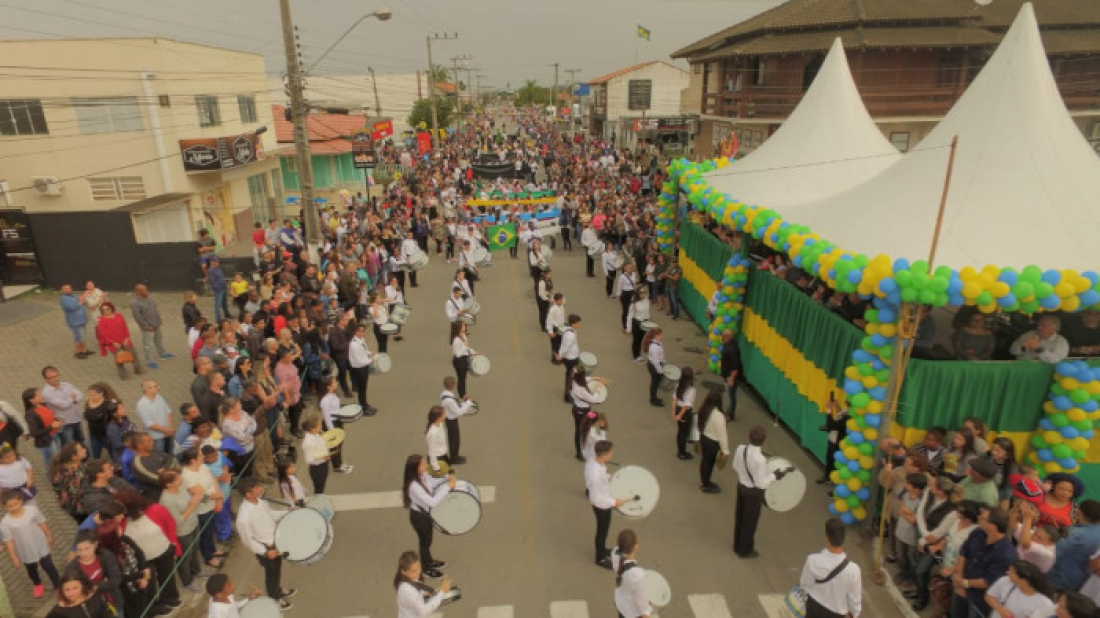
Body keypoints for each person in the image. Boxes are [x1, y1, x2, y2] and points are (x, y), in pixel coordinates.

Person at [732, 426, 794, 558]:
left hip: (741, 486)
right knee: (750, 522)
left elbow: (735, 466)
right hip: (753, 493)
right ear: (763, 441)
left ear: (749, 436)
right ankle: (744, 550)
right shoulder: (760, 460)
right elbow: (761, 484)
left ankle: (737, 544)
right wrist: (775, 475)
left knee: (740, 516)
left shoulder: (741, 448)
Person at [235, 477, 296, 610]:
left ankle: (278, 590)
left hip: (275, 541)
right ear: (248, 494)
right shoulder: (244, 517)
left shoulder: (261, 501)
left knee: (277, 570)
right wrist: (265, 552)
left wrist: (286, 513)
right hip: (266, 549)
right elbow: (248, 540)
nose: (260, 488)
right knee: (271, 573)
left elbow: (270, 514)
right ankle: (275, 597)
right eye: (256, 488)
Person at [953, 506, 1016, 618]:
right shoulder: (978, 533)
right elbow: (963, 552)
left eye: (982, 518)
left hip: (980, 599)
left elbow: (989, 581)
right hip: (961, 584)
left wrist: (964, 583)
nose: (978, 518)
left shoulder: (1005, 554)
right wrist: (958, 578)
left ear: (992, 526)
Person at [402, 454, 455, 579]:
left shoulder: (423, 476)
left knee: (428, 540)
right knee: (425, 542)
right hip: (419, 518)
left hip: (425, 514)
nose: (425, 465)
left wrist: (447, 478)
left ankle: (429, 561)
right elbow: (432, 501)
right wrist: (448, 486)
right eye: (422, 464)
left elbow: (433, 481)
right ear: (416, 468)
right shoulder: (414, 486)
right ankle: (426, 568)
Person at [1, 489, 59, 598]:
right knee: (31, 569)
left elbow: (42, 522)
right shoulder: (5, 523)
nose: (13, 507)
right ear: (4, 507)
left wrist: (49, 535)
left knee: (49, 566)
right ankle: (37, 584)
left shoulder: (32, 510)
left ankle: (57, 585)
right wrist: (14, 557)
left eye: (16, 504)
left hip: (39, 544)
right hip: (24, 550)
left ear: (21, 501)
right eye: (10, 506)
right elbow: (8, 541)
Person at [800, 518, 862, 618]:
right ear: (844, 538)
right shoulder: (853, 570)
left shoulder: (812, 560)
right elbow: (855, 602)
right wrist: (853, 614)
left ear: (827, 537)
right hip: (835, 614)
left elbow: (805, 583)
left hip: (813, 607)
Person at [157, 469, 203, 593]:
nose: (181, 479)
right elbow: (177, 522)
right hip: (183, 532)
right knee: (184, 558)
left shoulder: (181, 488)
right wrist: (191, 506)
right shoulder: (166, 500)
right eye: (177, 479)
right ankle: (187, 581)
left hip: (193, 524)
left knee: (194, 550)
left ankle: (197, 570)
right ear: (168, 484)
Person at [586, 440, 630, 569]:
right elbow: (598, 497)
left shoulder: (594, 462)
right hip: (601, 506)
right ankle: (599, 558)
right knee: (602, 531)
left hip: (602, 501)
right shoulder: (595, 476)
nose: (612, 454)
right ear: (604, 454)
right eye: (610, 452)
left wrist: (609, 477)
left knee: (603, 530)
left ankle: (603, 549)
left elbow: (602, 478)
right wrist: (615, 502)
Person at [180, 448, 223, 569]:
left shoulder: (203, 467)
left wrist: (219, 499)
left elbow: (214, 480)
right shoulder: (187, 476)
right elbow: (202, 497)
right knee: (205, 533)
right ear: (193, 460)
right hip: (201, 510)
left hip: (212, 504)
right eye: (200, 456)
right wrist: (218, 496)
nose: (203, 457)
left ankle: (212, 549)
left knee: (211, 530)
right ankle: (208, 556)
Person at [1047, 500, 1100, 592]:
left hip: (1058, 578)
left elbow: (1054, 552)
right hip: (1080, 582)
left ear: (1079, 512)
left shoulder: (1075, 534)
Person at [68, 530, 123, 615]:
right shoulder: (72, 567)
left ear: (95, 544)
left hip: (113, 602)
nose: (84, 553)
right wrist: (104, 583)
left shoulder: (106, 556)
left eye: (87, 548)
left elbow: (116, 579)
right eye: (79, 550)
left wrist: (94, 587)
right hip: (91, 610)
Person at [983, 562, 1056, 618]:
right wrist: (1000, 608)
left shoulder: (1045, 604)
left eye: (1012, 572)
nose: (1007, 573)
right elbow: (989, 596)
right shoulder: (1005, 580)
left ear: (1024, 580)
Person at [394, 550, 452, 618]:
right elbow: (423, 612)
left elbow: (416, 591)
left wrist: (425, 592)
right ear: (404, 571)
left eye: (419, 568)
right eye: (413, 571)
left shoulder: (408, 580)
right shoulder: (407, 591)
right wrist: (442, 592)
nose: (418, 572)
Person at [96, 302, 143, 380]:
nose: (106, 311)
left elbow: (125, 327)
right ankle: (123, 375)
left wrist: (127, 338)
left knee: (134, 353)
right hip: (113, 343)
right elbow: (103, 334)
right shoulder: (101, 320)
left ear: (111, 308)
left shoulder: (119, 316)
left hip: (124, 340)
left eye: (107, 309)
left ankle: (137, 369)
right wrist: (112, 343)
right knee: (119, 359)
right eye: (103, 310)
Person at [611, 529, 651, 618]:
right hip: (631, 612)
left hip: (621, 602)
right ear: (636, 546)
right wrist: (646, 614)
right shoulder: (637, 575)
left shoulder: (615, 553)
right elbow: (642, 601)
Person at [131, 285, 172, 370]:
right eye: (143, 290)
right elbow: (137, 317)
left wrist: (159, 318)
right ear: (138, 292)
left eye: (146, 289)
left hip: (156, 323)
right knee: (148, 344)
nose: (146, 291)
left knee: (158, 339)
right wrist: (145, 326)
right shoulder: (135, 303)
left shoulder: (150, 298)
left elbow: (155, 309)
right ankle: (150, 361)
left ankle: (162, 354)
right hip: (148, 326)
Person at [41, 366, 85, 446]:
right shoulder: (46, 393)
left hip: (75, 418)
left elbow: (81, 395)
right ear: (46, 380)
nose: (55, 379)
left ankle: (84, 458)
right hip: (64, 423)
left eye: (56, 376)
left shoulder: (66, 385)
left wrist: (73, 399)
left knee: (80, 441)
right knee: (68, 445)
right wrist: (72, 398)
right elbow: (63, 405)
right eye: (51, 378)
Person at [45, 568, 114, 618]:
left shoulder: (94, 596)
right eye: (67, 590)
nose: (71, 593)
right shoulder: (59, 610)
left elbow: (107, 613)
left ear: (83, 586)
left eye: (75, 588)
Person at [318, 376, 352, 474]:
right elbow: (327, 418)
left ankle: (340, 463)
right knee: (334, 445)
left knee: (340, 443)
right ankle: (336, 466)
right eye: (334, 382)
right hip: (332, 424)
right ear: (328, 386)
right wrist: (333, 432)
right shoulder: (325, 401)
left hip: (338, 420)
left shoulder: (333, 395)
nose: (336, 383)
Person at [697, 390, 729, 493]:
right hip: (713, 443)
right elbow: (722, 435)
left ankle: (704, 481)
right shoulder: (719, 416)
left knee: (704, 461)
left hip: (704, 438)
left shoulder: (704, 409)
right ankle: (705, 485)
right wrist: (725, 451)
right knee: (709, 464)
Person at [49, 442, 87, 523]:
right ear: (73, 457)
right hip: (78, 508)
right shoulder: (65, 475)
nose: (84, 450)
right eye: (81, 450)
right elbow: (77, 492)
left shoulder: (77, 465)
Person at [440, 376, 474, 465]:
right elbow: (458, 412)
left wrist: (464, 402)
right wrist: (468, 403)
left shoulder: (446, 395)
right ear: (453, 385)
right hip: (451, 420)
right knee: (454, 439)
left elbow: (456, 405)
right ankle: (454, 458)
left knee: (455, 439)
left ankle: (455, 455)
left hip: (450, 419)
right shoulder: (449, 400)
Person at [24, 387, 63, 464]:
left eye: (40, 394)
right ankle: (50, 476)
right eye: (38, 395)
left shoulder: (43, 405)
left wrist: (56, 420)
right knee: (52, 463)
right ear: (31, 400)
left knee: (57, 460)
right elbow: (34, 433)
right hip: (46, 441)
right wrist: (51, 427)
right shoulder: (31, 414)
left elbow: (48, 419)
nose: (41, 396)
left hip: (55, 435)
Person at [816, 393, 847, 484]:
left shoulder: (850, 415)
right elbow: (841, 415)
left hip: (839, 443)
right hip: (833, 440)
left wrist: (829, 409)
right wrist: (836, 406)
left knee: (836, 464)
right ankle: (827, 476)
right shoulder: (846, 410)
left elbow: (832, 425)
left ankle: (836, 484)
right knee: (829, 459)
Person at [134, 381, 173, 454]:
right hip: (156, 438)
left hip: (168, 433)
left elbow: (168, 411)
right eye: (155, 386)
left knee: (169, 453)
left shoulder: (159, 397)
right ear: (147, 390)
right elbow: (149, 424)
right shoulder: (141, 405)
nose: (158, 388)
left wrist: (170, 427)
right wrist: (167, 430)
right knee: (159, 455)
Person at [83, 384, 118, 460]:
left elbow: (114, 409)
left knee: (113, 455)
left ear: (101, 394)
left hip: (106, 435)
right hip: (94, 436)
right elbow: (86, 416)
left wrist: (114, 403)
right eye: (89, 395)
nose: (90, 397)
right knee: (95, 456)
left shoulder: (107, 404)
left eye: (93, 395)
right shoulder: (88, 403)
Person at [348, 324, 376, 416]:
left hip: (364, 367)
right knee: (361, 389)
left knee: (364, 388)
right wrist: (370, 360)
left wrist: (369, 353)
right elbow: (358, 360)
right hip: (359, 369)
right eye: (362, 331)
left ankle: (365, 404)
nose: (364, 332)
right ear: (356, 332)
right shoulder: (354, 345)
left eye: (364, 330)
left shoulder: (361, 340)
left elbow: (364, 350)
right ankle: (363, 408)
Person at [60, 284, 92, 359]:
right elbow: (73, 307)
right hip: (75, 322)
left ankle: (84, 350)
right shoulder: (64, 299)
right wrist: (81, 301)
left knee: (82, 336)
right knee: (79, 337)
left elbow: (81, 298)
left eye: (69, 288)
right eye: (66, 289)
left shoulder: (73, 296)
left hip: (81, 320)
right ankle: (77, 352)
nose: (68, 290)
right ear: (62, 291)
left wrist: (84, 296)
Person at [672, 367, 696, 460]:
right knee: (684, 433)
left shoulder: (678, 385)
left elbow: (675, 399)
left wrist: (674, 414)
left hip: (678, 409)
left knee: (680, 432)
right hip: (685, 413)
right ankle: (682, 453)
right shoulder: (691, 390)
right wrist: (680, 416)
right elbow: (687, 405)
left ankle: (680, 450)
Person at [558, 314, 582, 403]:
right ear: (573, 324)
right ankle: (567, 396)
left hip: (573, 356)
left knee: (572, 377)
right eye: (578, 323)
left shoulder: (572, 331)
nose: (579, 325)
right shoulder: (570, 335)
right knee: (570, 378)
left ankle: (570, 393)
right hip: (570, 359)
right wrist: (560, 355)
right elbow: (565, 347)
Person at [719, 330, 742, 421]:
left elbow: (735, 367)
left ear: (727, 337)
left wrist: (731, 379)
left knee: (730, 395)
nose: (722, 338)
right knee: (729, 394)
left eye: (723, 336)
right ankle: (728, 411)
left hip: (730, 376)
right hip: (727, 374)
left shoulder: (731, 350)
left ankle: (730, 415)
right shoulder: (729, 344)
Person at [450, 321, 475, 399]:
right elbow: (458, 353)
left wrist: (474, 352)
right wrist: (465, 346)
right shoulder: (456, 340)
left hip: (464, 359)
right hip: (459, 361)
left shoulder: (463, 336)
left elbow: (466, 349)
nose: (465, 327)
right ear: (459, 328)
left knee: (463, 378)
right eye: (463, 326)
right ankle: (462, 395)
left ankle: (464, 394)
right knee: (461, 378)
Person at [626, 288, 651, 362]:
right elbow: (630, 315)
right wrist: (628, 328)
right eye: (641, 293)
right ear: (637, 293)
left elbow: (647, 312)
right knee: (636, 340)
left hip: (645, 323)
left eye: (644, 292)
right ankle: (635, 355)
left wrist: (649, 322)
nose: (643, 294)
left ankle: (638, 354)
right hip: (637, 323)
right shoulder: (634, 303)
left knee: (641, 340)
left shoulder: (646, 300)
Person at [643, 327, 666, 407]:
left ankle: (654, 398)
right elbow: (656, 362)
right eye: (661, 335)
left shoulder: (658, 343)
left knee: (655, 383)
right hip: (654, 367)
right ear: (656, 336)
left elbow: (661, 355)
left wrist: (664, 362)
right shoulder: (654, 347)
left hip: (656, 365)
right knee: (654, 383)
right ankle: (653, 400)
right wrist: (660, 370)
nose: (663, 336)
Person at [545, 292, 566, 363]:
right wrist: (550, 331)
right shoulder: (553, 309)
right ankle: (554, 359)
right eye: (560, 300)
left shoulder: (562, 307)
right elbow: (549, 320)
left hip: (561, 328)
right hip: (555, 328)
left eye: (562, 300)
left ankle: (559, 357)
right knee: (555, 345)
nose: (562, 301)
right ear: (556, 301)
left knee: (560, 344)